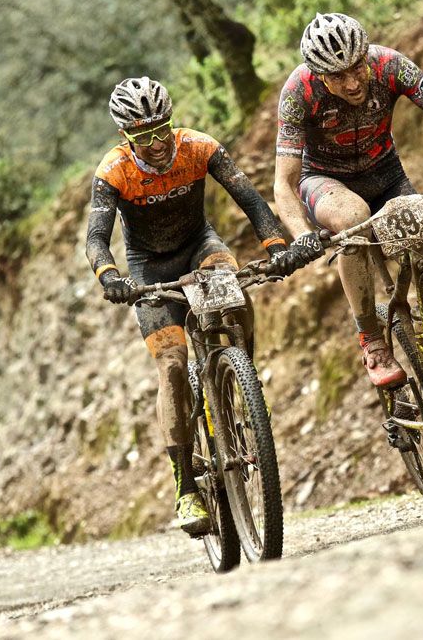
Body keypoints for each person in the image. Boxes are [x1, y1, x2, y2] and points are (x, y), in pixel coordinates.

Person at [271, 13, 423, 460]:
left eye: (356, 66)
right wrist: (301, 235)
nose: (353, 81)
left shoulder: (389, 65)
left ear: (367, 54)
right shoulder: (298, 92)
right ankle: (372, 340)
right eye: (337, 76)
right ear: (319, 75)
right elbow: (283, 183)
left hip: (387, 174)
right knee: (354, 219)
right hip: (324, 181)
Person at [85, 77, 300, 534]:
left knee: (235, 294)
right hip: (147, 269)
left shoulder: (199, 148)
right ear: (126, 138)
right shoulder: (113, 172)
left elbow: (250, 199)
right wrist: (111, 277)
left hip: (200, 246)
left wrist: (276, 243)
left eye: (161, 129)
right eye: (143, 137)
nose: (157, 143)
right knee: (172, 366)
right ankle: (185, 488)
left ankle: (239, 376)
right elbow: (96, 240)